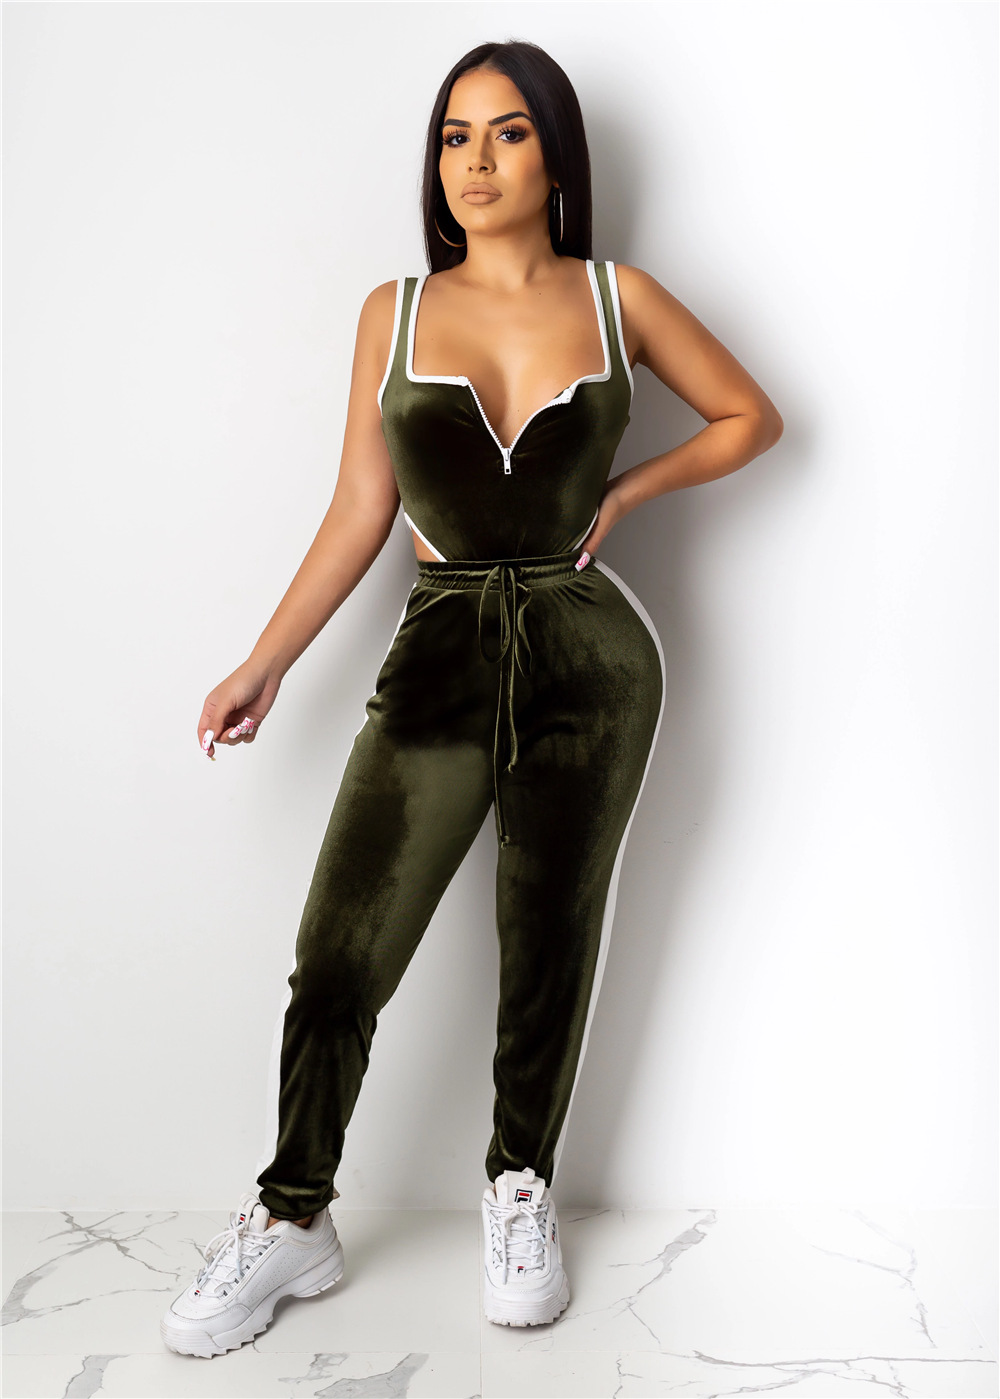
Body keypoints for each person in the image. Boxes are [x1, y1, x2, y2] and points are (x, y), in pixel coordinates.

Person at [160, 39, 783, 1358]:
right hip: (439, 653)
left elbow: (750, 417)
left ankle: (520, 1188)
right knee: (342, 951)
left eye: (508, 133)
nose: (476, 162)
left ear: (557, 156)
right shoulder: (393, 312)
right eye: (455, 136)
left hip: (592, 661)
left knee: (548, 939)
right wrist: (264, 661)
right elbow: (360, 508)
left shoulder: (619, 297)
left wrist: (628, 491)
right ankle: (293, 1215)